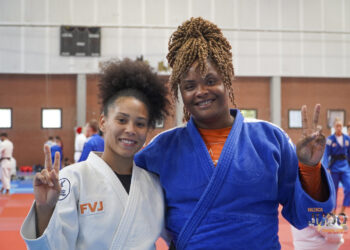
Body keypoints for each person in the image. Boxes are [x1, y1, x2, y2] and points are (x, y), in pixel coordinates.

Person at [134, 17, 335, 249]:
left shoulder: (270, 140)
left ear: (227, 80)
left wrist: (310, 169)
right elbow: (128, 209)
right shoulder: (161, 149)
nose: (201, 91)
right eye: (189, 86)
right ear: (180, 92)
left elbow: (308, 216)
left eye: (210, 80)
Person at [20, 58, 170, 249]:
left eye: (140, 123)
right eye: (122, 120)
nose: (131, 129)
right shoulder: (73, 179)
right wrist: (44, 210)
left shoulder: (153, 184)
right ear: (103, 122)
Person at [322, 118, 350, 215]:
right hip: (334, 167)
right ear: (334, 127)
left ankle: (342, 210)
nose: (338, 128)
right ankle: (333, 211)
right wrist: (326, 167)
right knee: (334, 190)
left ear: (343, 127)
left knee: (349, 186)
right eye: (337, 126)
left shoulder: (347, 139)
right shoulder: (330, 140)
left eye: (340, 126)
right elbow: (325, 154)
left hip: (345, 167)